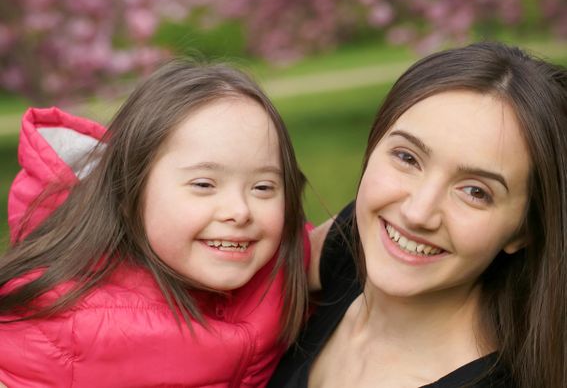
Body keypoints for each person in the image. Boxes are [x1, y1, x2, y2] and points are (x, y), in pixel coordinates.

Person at [269, 42, 567, 388]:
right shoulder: (355, 241)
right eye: (407, 158)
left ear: (524, 230)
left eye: (475, 192)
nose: (417, 213)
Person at [0, 60, 310, 387]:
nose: (240, 210)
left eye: (263, 187)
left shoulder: (285, 265)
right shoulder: (61, 319)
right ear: (130, 194)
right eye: (204, 184)